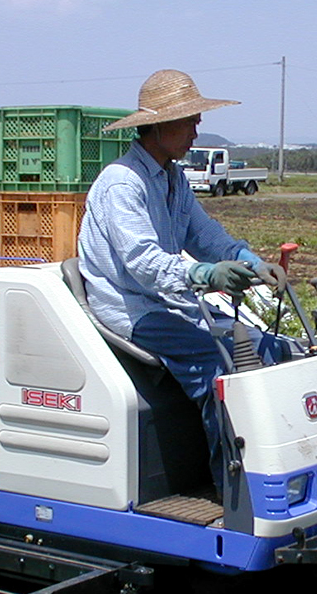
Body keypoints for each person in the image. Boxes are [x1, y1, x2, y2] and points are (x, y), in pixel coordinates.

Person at [78, 69, 289, 494]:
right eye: (189, 119)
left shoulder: (172, 178)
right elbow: (142, 262)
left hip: (170, 301)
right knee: (220, 369)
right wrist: (205, 274)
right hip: (133, 308)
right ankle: (233, 491)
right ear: (158, 126)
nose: (197, 127)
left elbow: (204, 235)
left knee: (274, 350)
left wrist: (250, 261)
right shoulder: (122, 183)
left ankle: (279, 468)